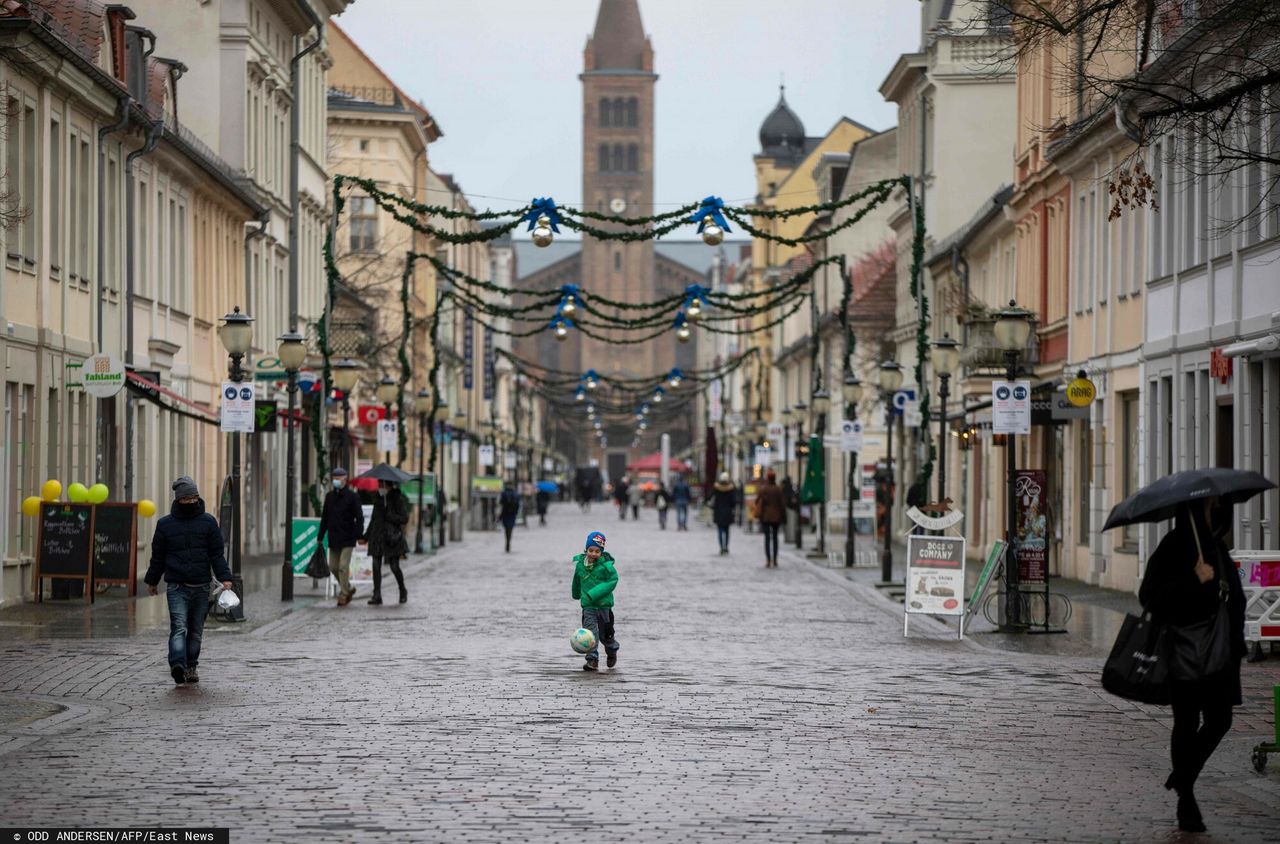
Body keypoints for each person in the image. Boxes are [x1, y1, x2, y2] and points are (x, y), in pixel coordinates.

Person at [1138, 497, 1246, 833]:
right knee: (1186, 722)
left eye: (1219, 504)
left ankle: (1182, 777)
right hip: (1184, 651)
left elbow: (1235, 598)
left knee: (1220, 720)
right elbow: (1149, 595)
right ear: (1195, 508)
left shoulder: (1215, 546)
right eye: (1210, 504)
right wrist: (1193, 581)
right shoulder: (1174, 545)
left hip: (1220, 654)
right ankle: (1187, 800)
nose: (1217, 509)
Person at [144, 477, 233, 685]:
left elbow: (216, 554)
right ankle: (178, 664)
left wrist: (225, 578)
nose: (190, 502)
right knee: (179, 627)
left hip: (201, 586)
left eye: (193, 497)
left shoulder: (209, 522)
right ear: (178, 500)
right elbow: (158, 556)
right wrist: (152, 580)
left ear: (198, 497)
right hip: (177, 586)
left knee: (195, 631)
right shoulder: (165, 525)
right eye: (186, 498)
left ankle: (191, 665)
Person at [570, 531, 619, 672]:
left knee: (606, 635)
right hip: (588, 606)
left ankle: (612, 650)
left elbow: (613, 581)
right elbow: (577, 579)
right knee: (590, 633)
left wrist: (594, 593)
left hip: (604, 606)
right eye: (590, 550)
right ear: (586, 550)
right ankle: (592, 660)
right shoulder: (580, 565)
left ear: (601, 552)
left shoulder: (607, 567)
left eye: (597, 551)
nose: (593, 554)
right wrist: (576, 593)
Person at [318, 467, 363, 606]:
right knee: (333, 567)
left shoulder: (352, 497)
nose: (336, 481)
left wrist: (358, 534)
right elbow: (325, 517)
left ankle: (343, 594)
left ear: (345, 479)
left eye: (338, 478)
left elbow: (359, 517)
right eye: (334, 479)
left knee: (343, 566)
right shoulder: (330, 497)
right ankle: (348, 587)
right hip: (334, 537)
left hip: (348, 538)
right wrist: (320, 536)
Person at [365, 480, 410, 605]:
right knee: (375, 565)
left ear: (389, 486)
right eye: (379, 485)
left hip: (392, 538)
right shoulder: (378, 499)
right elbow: (373, 519)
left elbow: (404, 518)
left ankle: (402, 590)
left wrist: (390, 515)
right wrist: (365, 536)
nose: (380, 488)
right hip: (377, 537)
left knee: (394, 567)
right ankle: (377, 594)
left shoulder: (397, 499)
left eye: (382, 485)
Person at [754, 470, 786, 567]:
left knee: (767, 538)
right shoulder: (778, 489)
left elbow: (757, 501)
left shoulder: (763, 489)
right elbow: (782, 504)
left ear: (767, 478)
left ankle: (768, 560)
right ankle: (775, 559)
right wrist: (783, 517)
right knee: (775, 538)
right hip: (776, 517)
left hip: (766, 517)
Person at [711, 472, 737, 555]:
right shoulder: (731, 489)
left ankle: (721, 547)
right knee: (727, 531)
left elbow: (711, 498)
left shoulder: (716, 488)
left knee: (720, 530)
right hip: (728, 512)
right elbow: (734, 502)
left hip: (718, 512)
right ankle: (726, 546)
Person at [499, 481, 521, 552]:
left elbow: (501, 503)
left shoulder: (504, 493)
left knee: (506, 528)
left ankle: (507, 541)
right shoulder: (515, 493)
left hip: (505, 513)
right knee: (510, 527)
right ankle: (509, 540)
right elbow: (518, 504)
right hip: (512, 514)